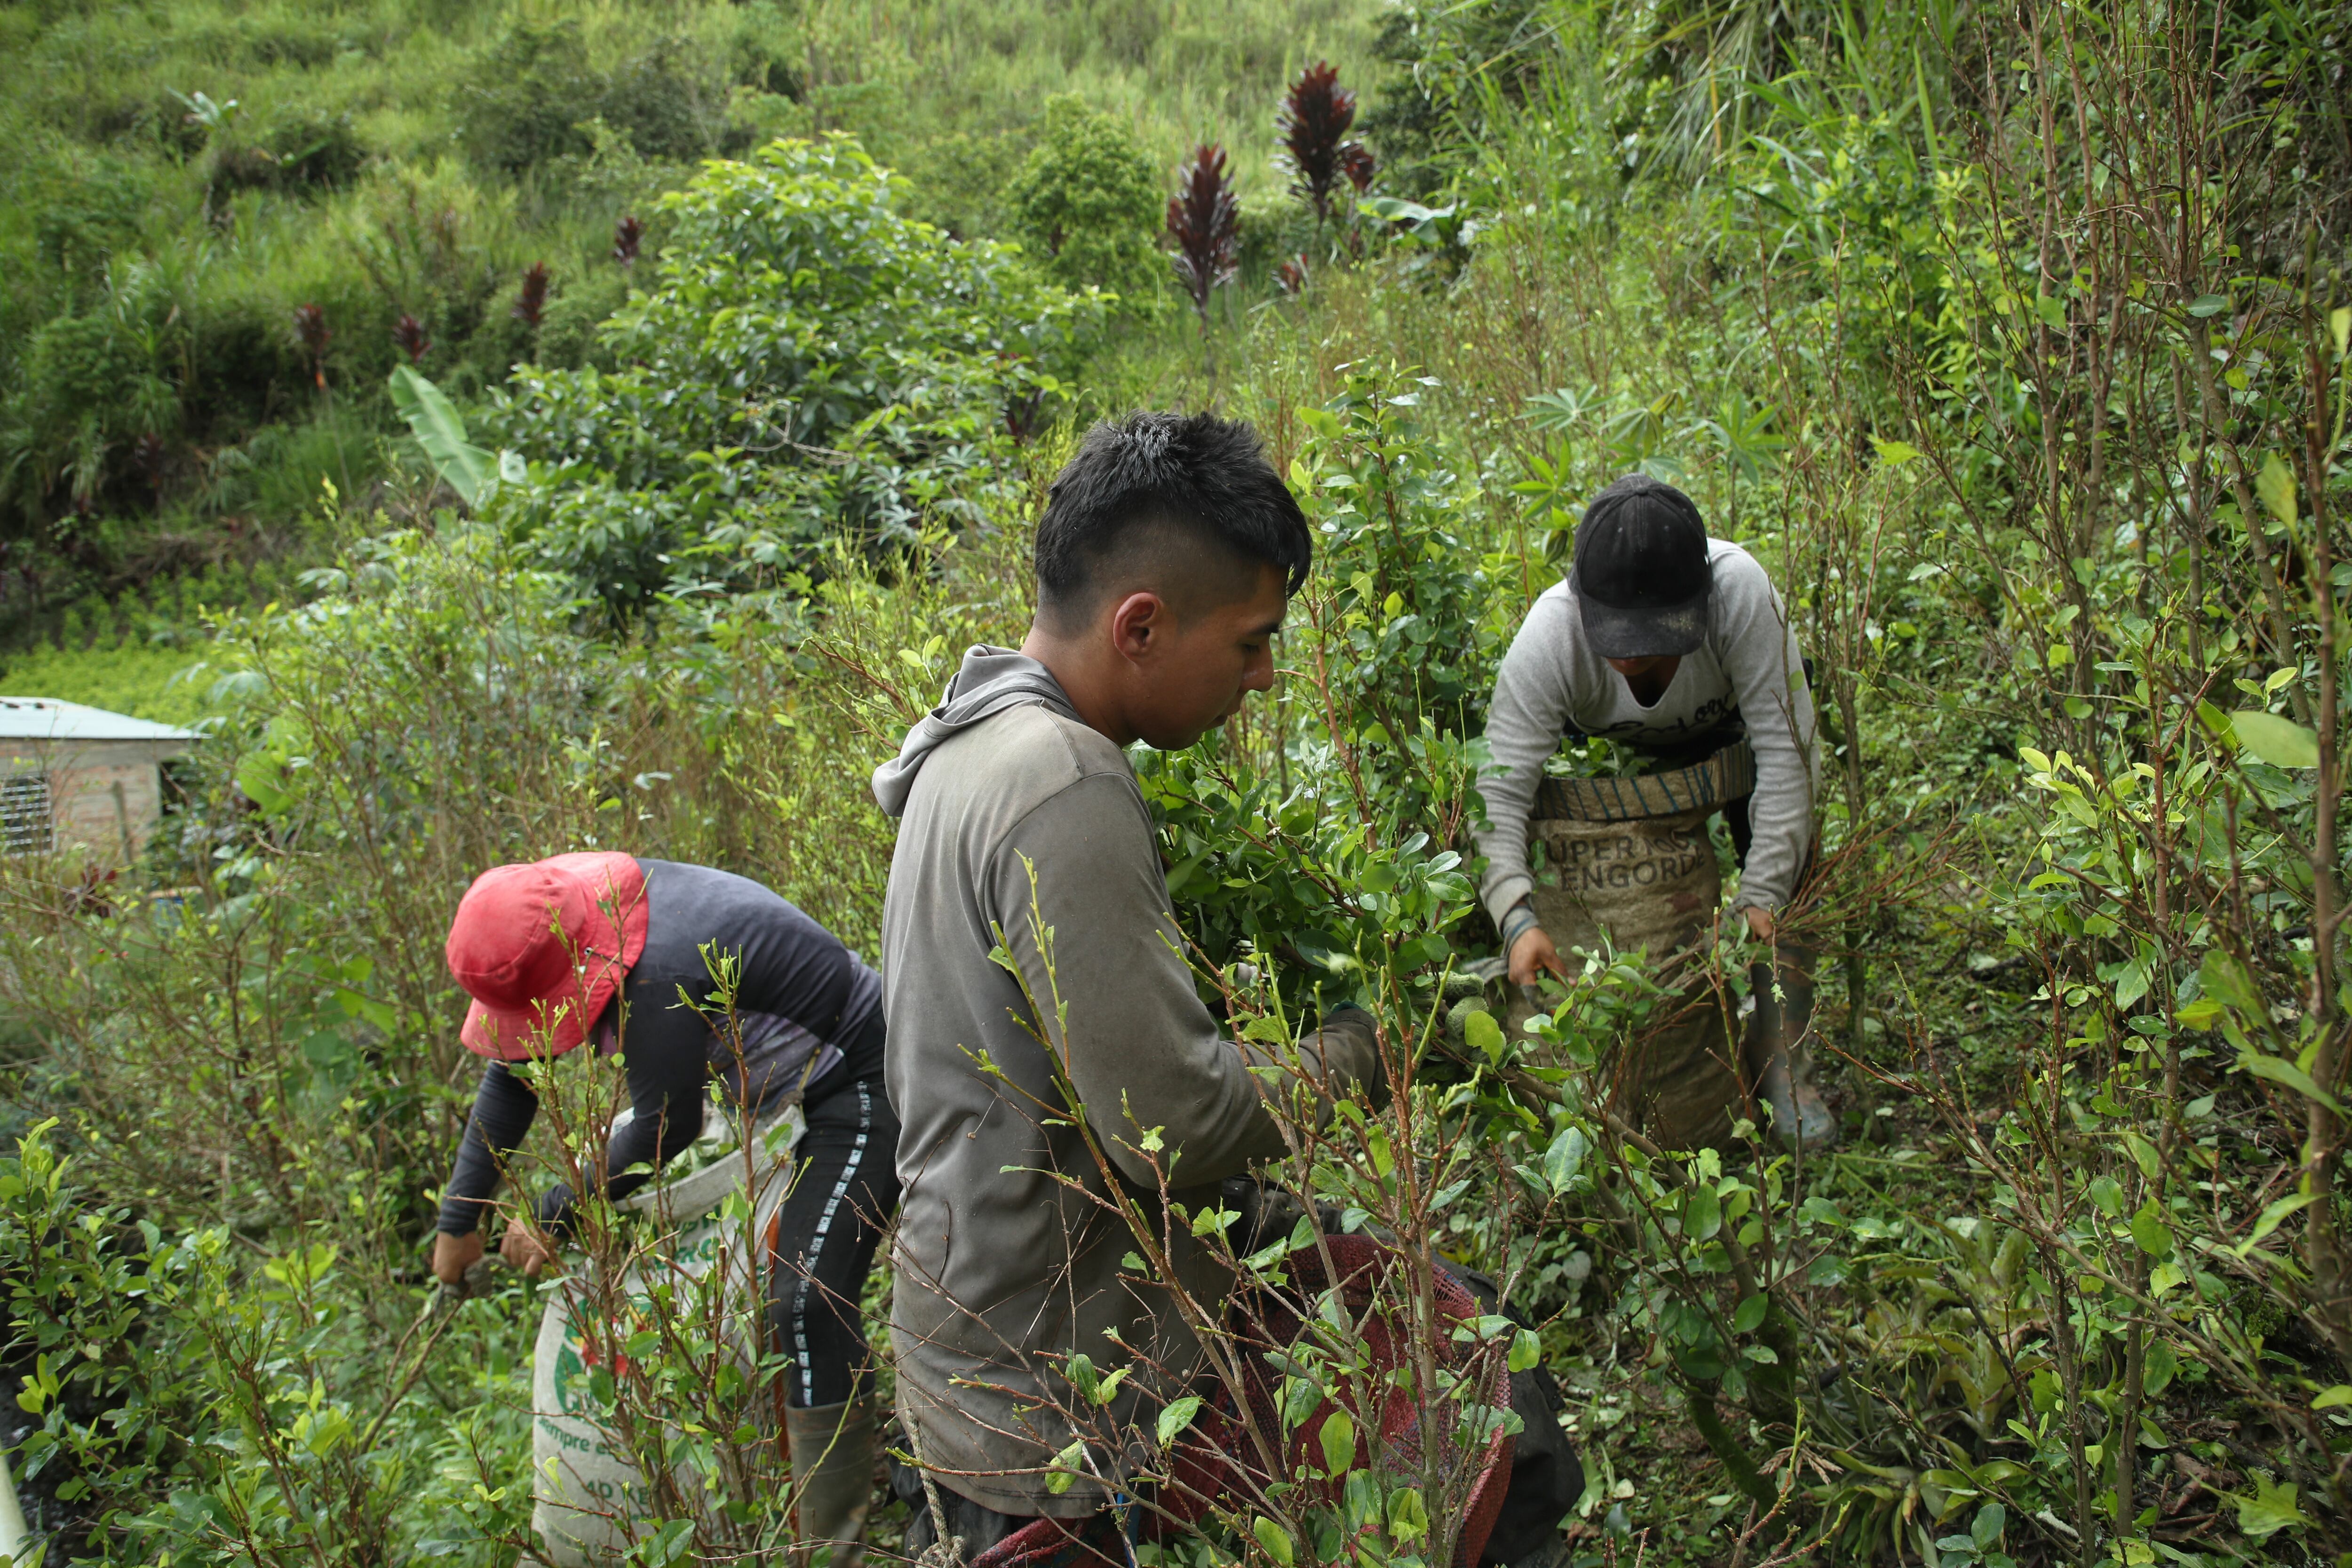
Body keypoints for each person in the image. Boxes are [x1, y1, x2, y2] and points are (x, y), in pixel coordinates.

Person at [872, 413, 1579, 1568]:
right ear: (1139, 624)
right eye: (1251, 643)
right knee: (1493, 1419)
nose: (1263, 674)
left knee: (1447, 1318)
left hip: (982, 1335)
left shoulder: (967, 743)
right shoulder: (1062, 783)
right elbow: (1175, 1131)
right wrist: (1363, 1048)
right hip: (1061, 1388)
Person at [428, 852, 898, 1567]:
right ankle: (810, 1466)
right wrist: (459, 1220)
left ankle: (833, 1548)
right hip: (772, 1102)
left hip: (861, 1080)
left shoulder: (659, 969)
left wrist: (556, 1211)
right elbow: (514, 1071)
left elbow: (665, 1125)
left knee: (804, 1300)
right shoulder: (564, 917)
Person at [1474, 473, 1835, 1149]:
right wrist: (1516, 915)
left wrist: (1763, 892)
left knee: (1795, 875)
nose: (1636, 655)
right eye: (1618, 638)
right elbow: (1497, 792)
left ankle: (1784, 1060)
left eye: (1659, 636)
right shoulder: (1550, 638)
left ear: (1701, 600)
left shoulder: (1743, 595)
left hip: (1733, 742)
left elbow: (1790, 756)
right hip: (1618, 770)